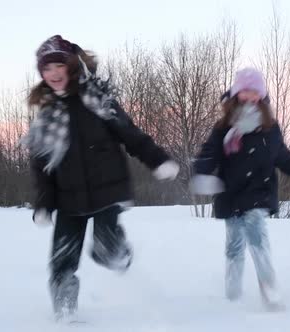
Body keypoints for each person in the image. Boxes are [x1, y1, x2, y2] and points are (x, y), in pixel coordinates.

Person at [22, 35, 179, 320]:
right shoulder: (46, 118)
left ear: (71, 66)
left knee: (106, 248)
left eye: (59, 65)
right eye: (47, 69)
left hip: (108, 192)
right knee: (62, 260)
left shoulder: (98, 100)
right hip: (68, 199)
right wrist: (44, 203)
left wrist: (158, 160)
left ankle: (119, 255)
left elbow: (131, 134)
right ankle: (65, 313)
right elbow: (42, 167)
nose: (54, 73)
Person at [190, 67, 290, 310]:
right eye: (245, 91)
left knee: (256, 236)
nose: (249, 96)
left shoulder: (270, 128)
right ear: (236, 94)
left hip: (258, 192)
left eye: (254, 92)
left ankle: (269, 289)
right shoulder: (223, 127)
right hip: (230, 194)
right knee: (233, 246)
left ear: (261, 95)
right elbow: (209, 153)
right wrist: (201, 174)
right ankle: (232, 296)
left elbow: (284, 158)